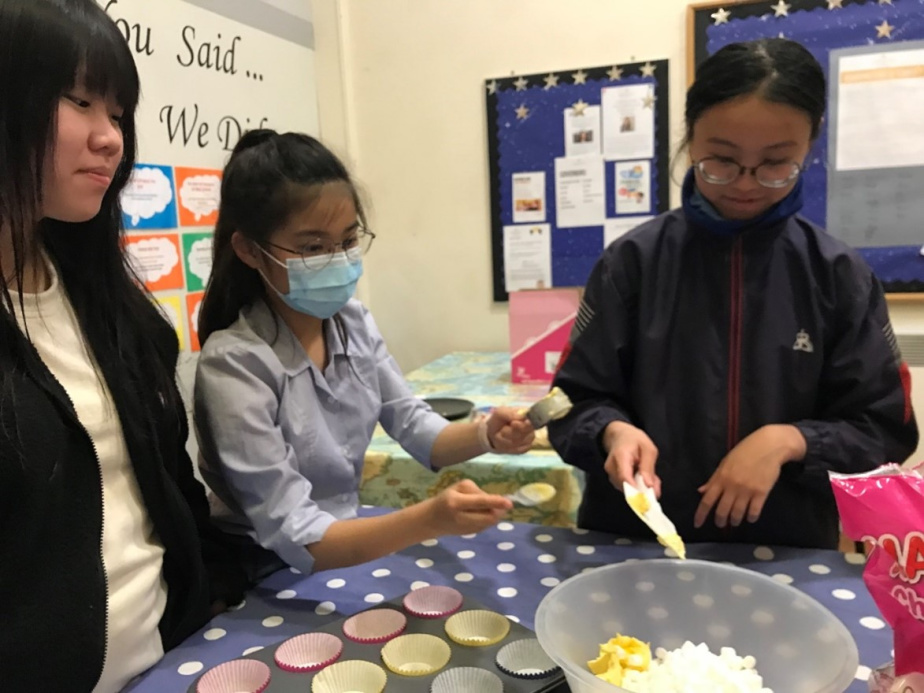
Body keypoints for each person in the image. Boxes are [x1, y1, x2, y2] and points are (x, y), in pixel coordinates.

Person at [548, 38, 919, 550]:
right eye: (720, 161)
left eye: (776, 164)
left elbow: (885, 432)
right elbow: (569, 404)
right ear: (690, 139)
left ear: (810, 145)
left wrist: (792, 440)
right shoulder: (633, 263)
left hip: (783, 551)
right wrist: (611, 431)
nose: (746, 184)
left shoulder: (837, 274)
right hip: (634, 545)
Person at [0, 1, 245, 690]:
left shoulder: (115, 307)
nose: (110, 137)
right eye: (81, 101)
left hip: (177, 661)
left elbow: (168, 485)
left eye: (120, 111)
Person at [194, 130, 535, 580]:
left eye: (349, 240)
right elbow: (296, 533)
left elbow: (415, 426)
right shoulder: (235, 365)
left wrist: (486, 435)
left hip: (346, 543)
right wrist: (428, 519)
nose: (337, 260)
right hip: (263, 567)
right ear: (249, 251)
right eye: (313, 247)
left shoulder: (353, 324)